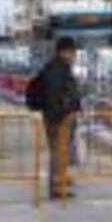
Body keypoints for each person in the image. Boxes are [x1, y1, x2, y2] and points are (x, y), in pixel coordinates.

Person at [40, 36, 81, 199]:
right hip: (58, 119)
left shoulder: (59, 67)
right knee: (58, 152)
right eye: (73, 52)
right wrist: (64, 113)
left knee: (60, 152)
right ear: (65, 52)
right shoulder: (58, 69)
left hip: (59, 117)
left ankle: (60, 181)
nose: (75, 56)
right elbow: (55, 95)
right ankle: (57, 186)